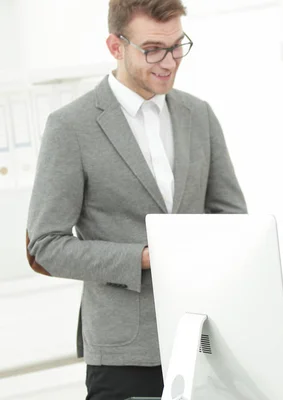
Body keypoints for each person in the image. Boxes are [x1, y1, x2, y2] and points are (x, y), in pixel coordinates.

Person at [26, 0, 247, 398]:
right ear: (115, 46)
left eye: (177, 45)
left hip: (204, 340)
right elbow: (45, 246)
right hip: (122, 354)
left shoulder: (200, 116)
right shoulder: (70, 128)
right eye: (152, 50)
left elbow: (232, 217)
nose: (168, 62)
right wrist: (141, 258)